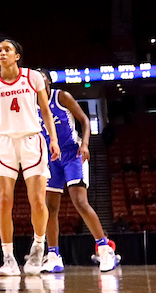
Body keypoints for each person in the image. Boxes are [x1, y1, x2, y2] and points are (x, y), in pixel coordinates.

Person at [0, 38, 61, 276]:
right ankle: (8, 258)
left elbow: (46, 110)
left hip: (33, 140)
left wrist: (53, 139)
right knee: (4, 200)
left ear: (17, 56)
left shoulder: (33, 77)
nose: (2, 53)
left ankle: (38, 247)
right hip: (5, 143)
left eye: (7, 50)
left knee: (38, 201)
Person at [37, 73, 115, 273]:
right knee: (50, 208)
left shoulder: (61, 96)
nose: (37, 80)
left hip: (73, 154)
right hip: (50, 158)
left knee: (80, 202)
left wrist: (86, 144)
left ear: (48, 81)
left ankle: (105, 250)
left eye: (40, 77)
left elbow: (84, 119)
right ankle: (53, 255)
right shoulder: (31, 104)